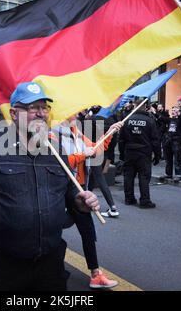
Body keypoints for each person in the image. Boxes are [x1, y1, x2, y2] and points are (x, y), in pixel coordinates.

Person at [0, 82, 100, 291]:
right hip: (2, 262)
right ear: (14, 114)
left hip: (50, 260)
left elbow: (68, 191)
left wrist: (79, 201)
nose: (41, 113)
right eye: (33, 108)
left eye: (44, 108)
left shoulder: (56, 151)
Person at [54, 114, 121, 289]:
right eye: (73, 111)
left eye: (77, 111)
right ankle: (49, 272)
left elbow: (95, 149)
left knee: (88, 231)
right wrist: (82, 155)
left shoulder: (76, 132)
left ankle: (95, 274)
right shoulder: (51, 134)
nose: (77, 114)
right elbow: (59, 161)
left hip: (78, 187)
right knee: (53, 230)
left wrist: (110, 133)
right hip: (58, 188)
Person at [119, 98, 161, 208]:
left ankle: (129, 198)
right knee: (144, 177)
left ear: (134, 106)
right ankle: (145, 201)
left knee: (128, 176)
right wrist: (157, 155)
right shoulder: (150, 121)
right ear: (146, 107)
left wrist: (122, 154)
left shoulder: (127, 119)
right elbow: (155, 140)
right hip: (144, 153)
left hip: (129, 151)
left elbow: (121, 139)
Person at [162, 106, 181, 181]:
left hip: (176, 141)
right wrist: (155, 112)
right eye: (172, 110)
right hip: (169, 141)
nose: (173, 111)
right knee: (168, 159)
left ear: (178, 111)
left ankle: (178, 175)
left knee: (177, 159)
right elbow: (162, 118)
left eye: (175, 110)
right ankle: (168, 174)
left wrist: (179, 115)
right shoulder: (170, 120)